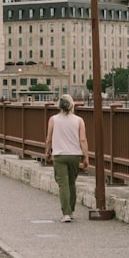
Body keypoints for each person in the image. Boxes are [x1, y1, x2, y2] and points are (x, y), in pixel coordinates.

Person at [45, 94, 90, 222]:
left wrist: (47, 152)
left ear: (59, 105)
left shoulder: (53, 119)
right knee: (71, 183)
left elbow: (49, 138)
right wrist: (86, 156)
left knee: (63, 184)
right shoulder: (79, 120)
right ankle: (71, 209)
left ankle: (66, 213)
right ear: (71, 105)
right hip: (75, 155)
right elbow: (83, 139)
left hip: (59, 155)